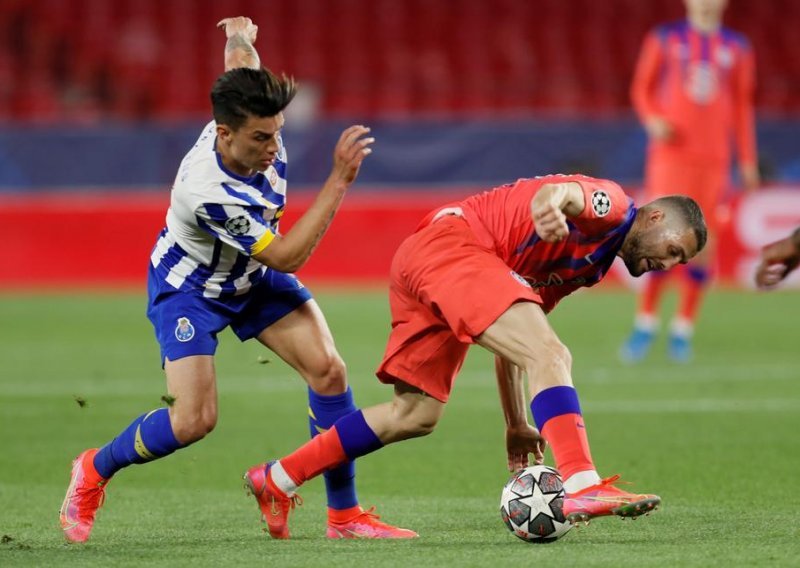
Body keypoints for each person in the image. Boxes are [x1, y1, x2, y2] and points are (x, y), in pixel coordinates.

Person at [59, 17, 416, 543]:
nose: (272, 147)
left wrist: (238, 34)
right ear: (224, 134)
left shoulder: (250, 118)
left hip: (248, 276)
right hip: (191, 289)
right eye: (259, 138)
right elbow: (289, 256)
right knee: (193, 420)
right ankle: (92, 469)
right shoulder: (210, 190)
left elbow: (241, 62)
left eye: (277, 132)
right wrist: (339, 179)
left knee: (330, 373)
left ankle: (344, 516)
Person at [242, 173, 707, 536]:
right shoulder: (616, 207)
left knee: (414, 413)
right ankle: (582, 483)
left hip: (425, 257)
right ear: (653, 219)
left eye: (678, 264)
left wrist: (516, 422)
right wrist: (548, 208)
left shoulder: (591, 265)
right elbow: (565, 193)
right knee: (553, 354)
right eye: (672, 251)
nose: (666, 267)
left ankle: (278, 478)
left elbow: (520, 339)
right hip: (455, 247)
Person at [621, 0, 758, 363]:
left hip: (714, 161)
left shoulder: (738, 48)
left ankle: (683, 329)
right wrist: (652, 119)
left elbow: (742, 106)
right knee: (658, 236)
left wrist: (747, 158)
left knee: (703, 243)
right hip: (671, 157)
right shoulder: (665, 38)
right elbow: (641, 88)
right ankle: (645, 323)